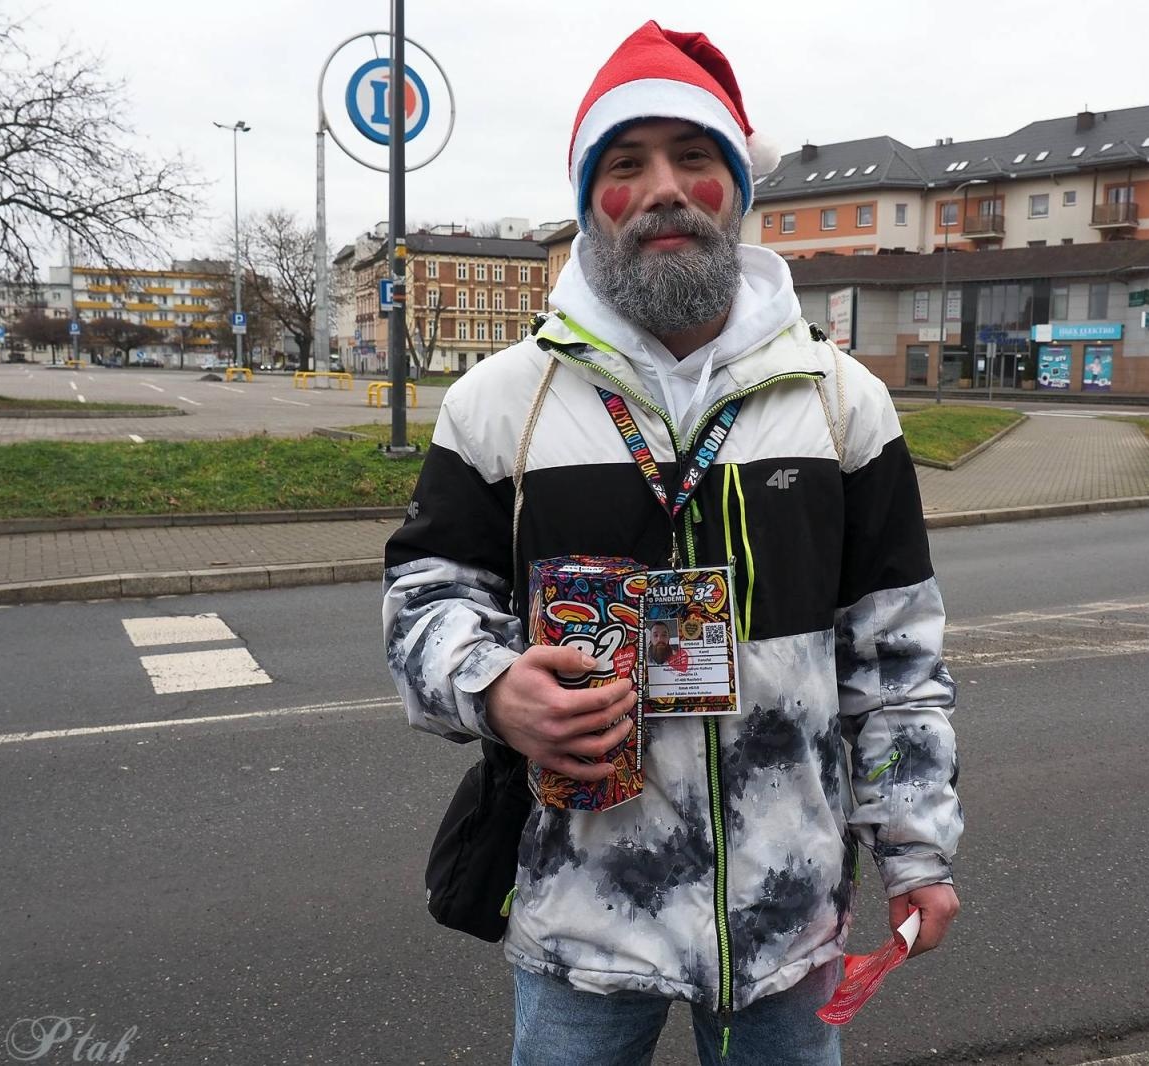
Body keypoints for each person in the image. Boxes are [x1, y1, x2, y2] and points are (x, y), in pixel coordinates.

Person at [384, 21, 962, 1066]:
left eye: (696, 157)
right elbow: (425, 598)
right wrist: (493, 686)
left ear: (738, 189)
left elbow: (896, 653)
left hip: (787, 930)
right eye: (626, 163)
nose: (664, 188)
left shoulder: (842, 405)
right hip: (583, 927)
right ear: (586, 202)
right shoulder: (499, 405)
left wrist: (915, 847)